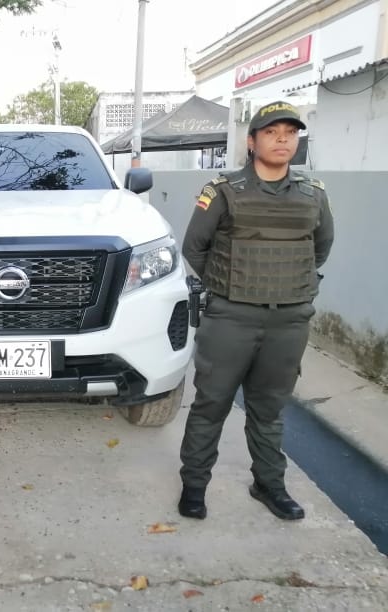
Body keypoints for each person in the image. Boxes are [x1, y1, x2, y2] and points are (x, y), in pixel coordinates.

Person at [178, 101, 334, 521]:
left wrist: (288, 287)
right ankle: (194, 485)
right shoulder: (224, 189)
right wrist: (231, 286)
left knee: (269, 410)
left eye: (290, 132)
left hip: (288, 319)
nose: (282, 138)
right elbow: (194, 247)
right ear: (252, 141)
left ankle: (269, 485)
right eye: (271, 131)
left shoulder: (312, 194)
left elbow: (320, 249)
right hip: (230, 317)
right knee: (211, 403)